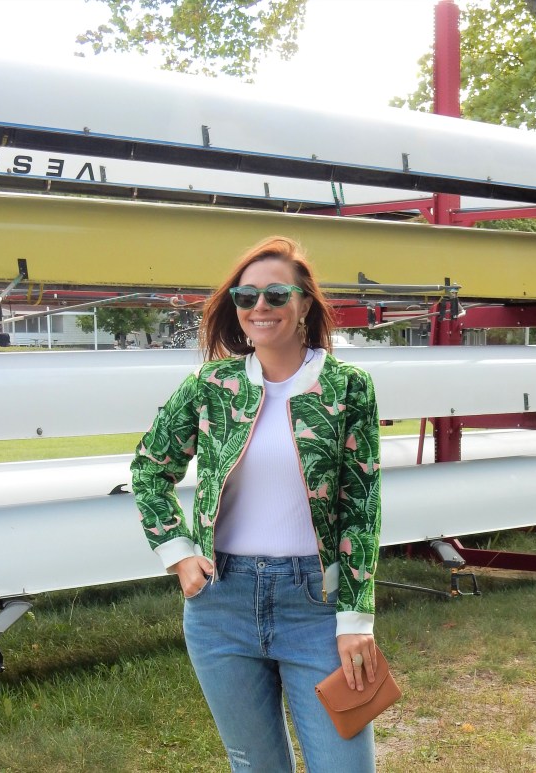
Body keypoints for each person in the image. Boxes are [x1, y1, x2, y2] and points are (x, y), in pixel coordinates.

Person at [131, 236, 381, 772]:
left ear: (305, 303)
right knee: (255, 765)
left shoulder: (347, 386)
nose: (259, 307)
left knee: (346, 765)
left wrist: (356, 617)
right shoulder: (210, 385)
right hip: (221, 604)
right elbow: (150, 467)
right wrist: (176, 552)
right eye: (246, 297)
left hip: (315, 601)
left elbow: (361, 505)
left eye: (275, 295)